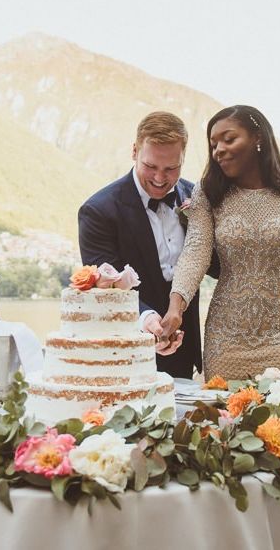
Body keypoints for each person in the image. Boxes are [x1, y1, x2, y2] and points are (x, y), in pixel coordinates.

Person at [161, 105, 280, 383]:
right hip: (224, 338)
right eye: (214, 144)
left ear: (258, 138)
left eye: (229, 139)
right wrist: (175, 307)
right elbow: (195, 252)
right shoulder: (208, 193)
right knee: (223, 422)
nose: (219, 150)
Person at [78, 111, 219, 379]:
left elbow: (217, 265)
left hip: (184, 351)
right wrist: (147, 320)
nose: (160, 178)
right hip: (123, 356)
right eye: (151, 166)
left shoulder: (198, 199)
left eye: (171, 168)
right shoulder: (98, 211)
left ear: (183, 159)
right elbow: (109, 288)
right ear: (134, 151)